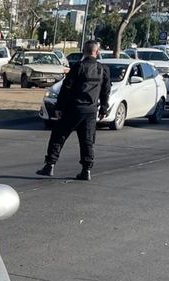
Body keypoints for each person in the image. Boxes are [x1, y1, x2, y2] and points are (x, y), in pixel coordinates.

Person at [37, 39, 111, 181]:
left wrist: (59, 107)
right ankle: (86, 170)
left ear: (84, 51)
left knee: (58, 136)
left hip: (74, 109)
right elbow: (106, 91)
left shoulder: (78, 67)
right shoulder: (103, 69)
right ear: (97, 52)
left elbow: (66, 88)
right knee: (87, 141)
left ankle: (50, 165)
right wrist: (104, 109)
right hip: (90, 111)